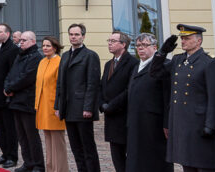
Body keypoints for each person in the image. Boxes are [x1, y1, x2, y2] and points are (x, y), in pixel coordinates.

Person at [150, 24, 215, 172]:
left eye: (187, 38)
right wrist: (162, 52)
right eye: (182, 38)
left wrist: (211, 126)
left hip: (200, 125)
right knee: (187, 166)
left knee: (205, 166)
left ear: (198, 41)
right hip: (182, 124)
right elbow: (155, 73)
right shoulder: (178, 60)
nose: (183, 41)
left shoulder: (210, 62)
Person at [54, 23, 101, 172]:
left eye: (76, 34)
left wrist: (88, 108)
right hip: (68, 108)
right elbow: (60, 83)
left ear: (83, 36)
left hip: (82, 109)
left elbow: (93, 84)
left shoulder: (90, 55)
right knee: (75, 147)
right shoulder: (66, 56)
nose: (73, 37)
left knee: (87, 147)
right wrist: (57, 105)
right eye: (71, 34)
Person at [126, 33, 173, 172]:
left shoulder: (164, 65)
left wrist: (167, 123)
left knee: (155, 160)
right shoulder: (136, 66)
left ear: (155, 47)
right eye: (138, 45)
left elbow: (167, 96)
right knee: (136, 159)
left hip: (154, 123)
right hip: (136, 121)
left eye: (145, 45)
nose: (141, 48)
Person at [4, 31, 45, 172]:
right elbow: (11, 73)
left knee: (31, 136)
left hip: (27, 101)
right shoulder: (19, 56)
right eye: (20, 40)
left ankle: (38, 165)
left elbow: (27, 77)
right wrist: (7, 86)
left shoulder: (36, 57)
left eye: (24, 40)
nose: (21, 42)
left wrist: (11, 87)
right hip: (15, 100)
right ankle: (28, 163)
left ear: (33, 41)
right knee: (21, 136)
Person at [98, 31, 138, 172]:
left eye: (113, 41)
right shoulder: (108, 64)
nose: (109, 43)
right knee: (116, 156)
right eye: (109, 40)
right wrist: (101, 104)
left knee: (129, 156)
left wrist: (112, 105)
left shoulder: (133, 63)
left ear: (123, 44)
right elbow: (102, 86)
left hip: (124, 116)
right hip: (110, 116)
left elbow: (130, 89)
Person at [35, 36, 67, 172]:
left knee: (57, 142)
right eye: (43, 46)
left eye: (48, 46)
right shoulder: (42, 62)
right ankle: (50, 169)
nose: (45, 48)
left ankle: (60, 170)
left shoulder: (60, 62)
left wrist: (59, 106)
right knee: (47, 141)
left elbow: (61, 86)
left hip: (54, 107)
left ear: (55, 47)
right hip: (42, 106)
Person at [0, 22, 20, 169]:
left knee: (9, 128)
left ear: (7, 34)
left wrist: (9, 89)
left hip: (7, 95)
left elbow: (13, 72)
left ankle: (12, 156)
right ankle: (4, 153)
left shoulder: (13, 49)